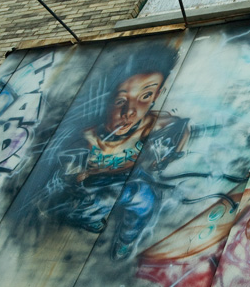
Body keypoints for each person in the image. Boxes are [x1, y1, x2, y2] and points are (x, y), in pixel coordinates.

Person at [46, 47, 189, 258]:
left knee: (144, 200)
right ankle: (90, 218)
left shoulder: (161, 125)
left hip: (136, 181)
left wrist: (171, 156)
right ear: (107, 99)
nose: (130, 112)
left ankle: (126, 239)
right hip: (98, 188)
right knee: (94, 202)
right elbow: (70, 177)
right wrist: (82, 176)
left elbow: (181, 132)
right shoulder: (87, 139)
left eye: (145, 96)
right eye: (121, 100)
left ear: (157, 95)